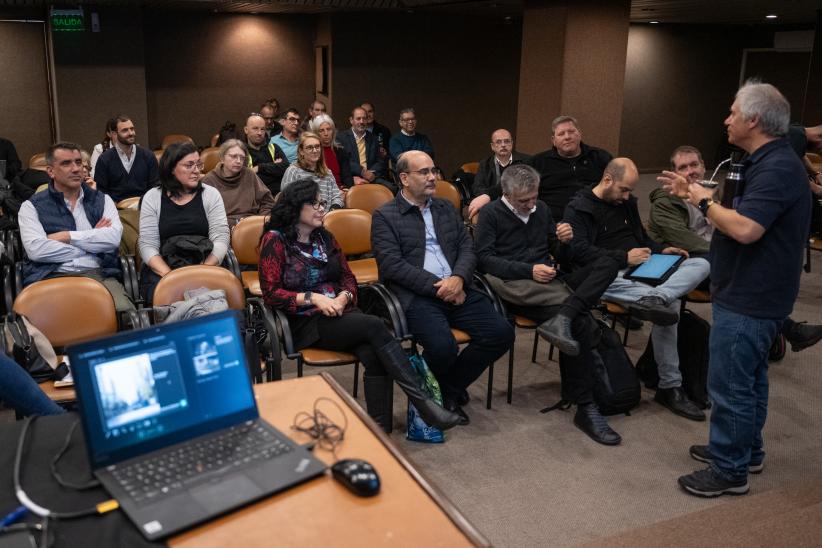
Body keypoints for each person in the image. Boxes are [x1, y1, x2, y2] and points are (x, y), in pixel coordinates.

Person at [664, 82, 812, 497]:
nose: (726, 120)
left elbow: (746, 230)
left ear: (754, 120)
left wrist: (704, 202)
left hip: (752, 297)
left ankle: (730, 470)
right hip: (751, 291)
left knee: (729, 386)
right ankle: (747, 451)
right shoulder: (765, 161)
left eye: (732, 113)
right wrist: (697, 200)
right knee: (748, 381)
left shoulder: (777, 168)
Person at [258, 178, 461, 432]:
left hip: (342, 314)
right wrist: (315, 299)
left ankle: (380, 429)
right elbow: (271, 293)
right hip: (304, 320)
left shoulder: (325, 237)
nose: (321, 209)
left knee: (374, 354)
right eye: (314, 204)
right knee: (376, 326)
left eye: (322, 203)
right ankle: (425, 404)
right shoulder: (275, 241)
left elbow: (348, 278)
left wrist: (344, 297)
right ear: (295, 207)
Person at [474, 164, 622, 444]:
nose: (530, 204)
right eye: (523, 201)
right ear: (506, 193)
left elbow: (557, 254)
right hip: (516, 284)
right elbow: (484, 260)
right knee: (581, 322)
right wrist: (528, 271)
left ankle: (564, 316)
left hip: (550, 280)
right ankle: (586, 405)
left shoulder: (540, 209)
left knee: (609, 261)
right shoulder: (492, 214)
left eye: (533, 198)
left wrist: (563, 242)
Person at [372, 151, 514, 424]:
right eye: (423, 172)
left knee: (501, 333)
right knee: (442, 347)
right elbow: (392, 265)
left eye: (433, 170)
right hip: (418, 294)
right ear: (404, 178)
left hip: (459, 287)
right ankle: (444, 395)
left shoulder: (445, 207)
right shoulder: (385, 215)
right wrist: (441, 286)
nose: (432, 177)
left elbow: (467, 248)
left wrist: (459, 279)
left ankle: (447, 389)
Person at [564, 157, 710, 421]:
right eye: (624, 189)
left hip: (641, 268)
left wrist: (660, 250)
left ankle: (657, 296)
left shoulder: (627, 203)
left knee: (701, 263)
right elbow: (579, 253)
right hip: (605, 274)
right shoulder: (579, 208)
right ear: (607, 180)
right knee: (672, 305)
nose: (628, 196)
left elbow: (641, 239)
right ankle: (670, 386)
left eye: (630, 190)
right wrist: (623, 257)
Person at [652, 145, 822, 352]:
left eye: (694, 165)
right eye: (683, 167)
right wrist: (730, 253)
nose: (690, 172)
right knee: (744, 274)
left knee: (755, 265)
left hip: (713, 260)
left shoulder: (713, 192)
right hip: (684, 262)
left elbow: (732, 225)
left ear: (704, 166)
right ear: (675, 172)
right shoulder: (664, 202)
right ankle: (785, 327)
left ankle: (776, 328)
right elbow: (685, 241)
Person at [18, 142, 134, 313]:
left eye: (78, 162)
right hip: (49, 277)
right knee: (40, 322)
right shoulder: (31, 206)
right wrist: (92, 243)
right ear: (50, 171)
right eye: (66, 163)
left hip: (98, 274)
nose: (76, 169)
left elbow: (113, 239)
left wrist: (67, 236)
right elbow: (36, 250)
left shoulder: (102, 200)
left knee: (126, 314)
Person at [138, 142, 230, 303]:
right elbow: (147, 245)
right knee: (171, 300)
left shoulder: (211, 194)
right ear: (172, 169)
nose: (197, 171)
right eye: (189, 165)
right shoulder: (152, 197)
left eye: (198, 164)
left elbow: (221, 238)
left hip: (205, 262)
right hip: (164, 267)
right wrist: (171, 277)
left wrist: (203, 272)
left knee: (215, 300)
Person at [528, 115, 613, 223]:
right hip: (554, 223)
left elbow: (617, 186)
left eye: (571, 131)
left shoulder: (600, 157)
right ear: (553, 140)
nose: (567, 137)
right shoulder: (538, 163)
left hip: (596, 220)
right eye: (561, 134)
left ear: (580, 134)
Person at [201, 139, 275, 227]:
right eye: (233, 156)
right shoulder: (209, 180)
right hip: (222, 227)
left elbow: (267, 202)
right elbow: (204, 214)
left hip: (251, 224)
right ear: (222, 158)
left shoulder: (249, 174)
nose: (238, 161)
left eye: (242, 158)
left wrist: (261, 220)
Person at [94, 115, 159, 203]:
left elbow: (155, 188)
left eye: (132, 129)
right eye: (125, 130)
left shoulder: (148, 156)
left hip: (145, 207)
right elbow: (101, 192)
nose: (131, 133)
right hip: (116, 210)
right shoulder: (104, 159)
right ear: (114, 134)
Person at [468, 129, 531, 219]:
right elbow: (477, 188)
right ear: (492, 146)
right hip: (492, 206)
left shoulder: (526, 161)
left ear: (512, 144)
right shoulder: (485, 164)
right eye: (498, 142)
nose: (503, 145)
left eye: (507, 141)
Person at [281, 132, 344, 210]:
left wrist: (333, 209)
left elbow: (337, 197)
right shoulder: (293, 171)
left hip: (327, 217)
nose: (315, 151)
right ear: (301, 151)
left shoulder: (327, 172)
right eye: (310, 147)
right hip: (303, 219)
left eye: (317, 147)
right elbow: (287, 201)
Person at [337, 107, 393, 192]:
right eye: (358, 119)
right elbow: (345, 161)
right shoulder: (341, 138)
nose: (362, 122)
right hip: (352, 177)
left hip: (372, 177)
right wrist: (362, 172)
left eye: (364, 118)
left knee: (392, 189)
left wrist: (372, 174)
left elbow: (380, 160)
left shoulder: (373, 138)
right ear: (351, 120)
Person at [244, 113, 289, 195]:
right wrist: (274, 168)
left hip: (279, 196)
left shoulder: (274, 148)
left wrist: (259, 168)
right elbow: (246, 178)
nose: (259, 133)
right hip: (256, 198)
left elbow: (285, 168)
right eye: (255, 128)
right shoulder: (241, 152)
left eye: (262, 129)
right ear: (246, 130)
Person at [309, 113, 354, 192]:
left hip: (340, 191)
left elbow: (347, 177)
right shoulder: (312, 152)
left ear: (333, 131)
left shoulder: (340, 151)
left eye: (328, 129)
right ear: (315, 133)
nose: (326, 133)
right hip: (319, 192)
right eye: (321, 130)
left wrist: (347, 190)